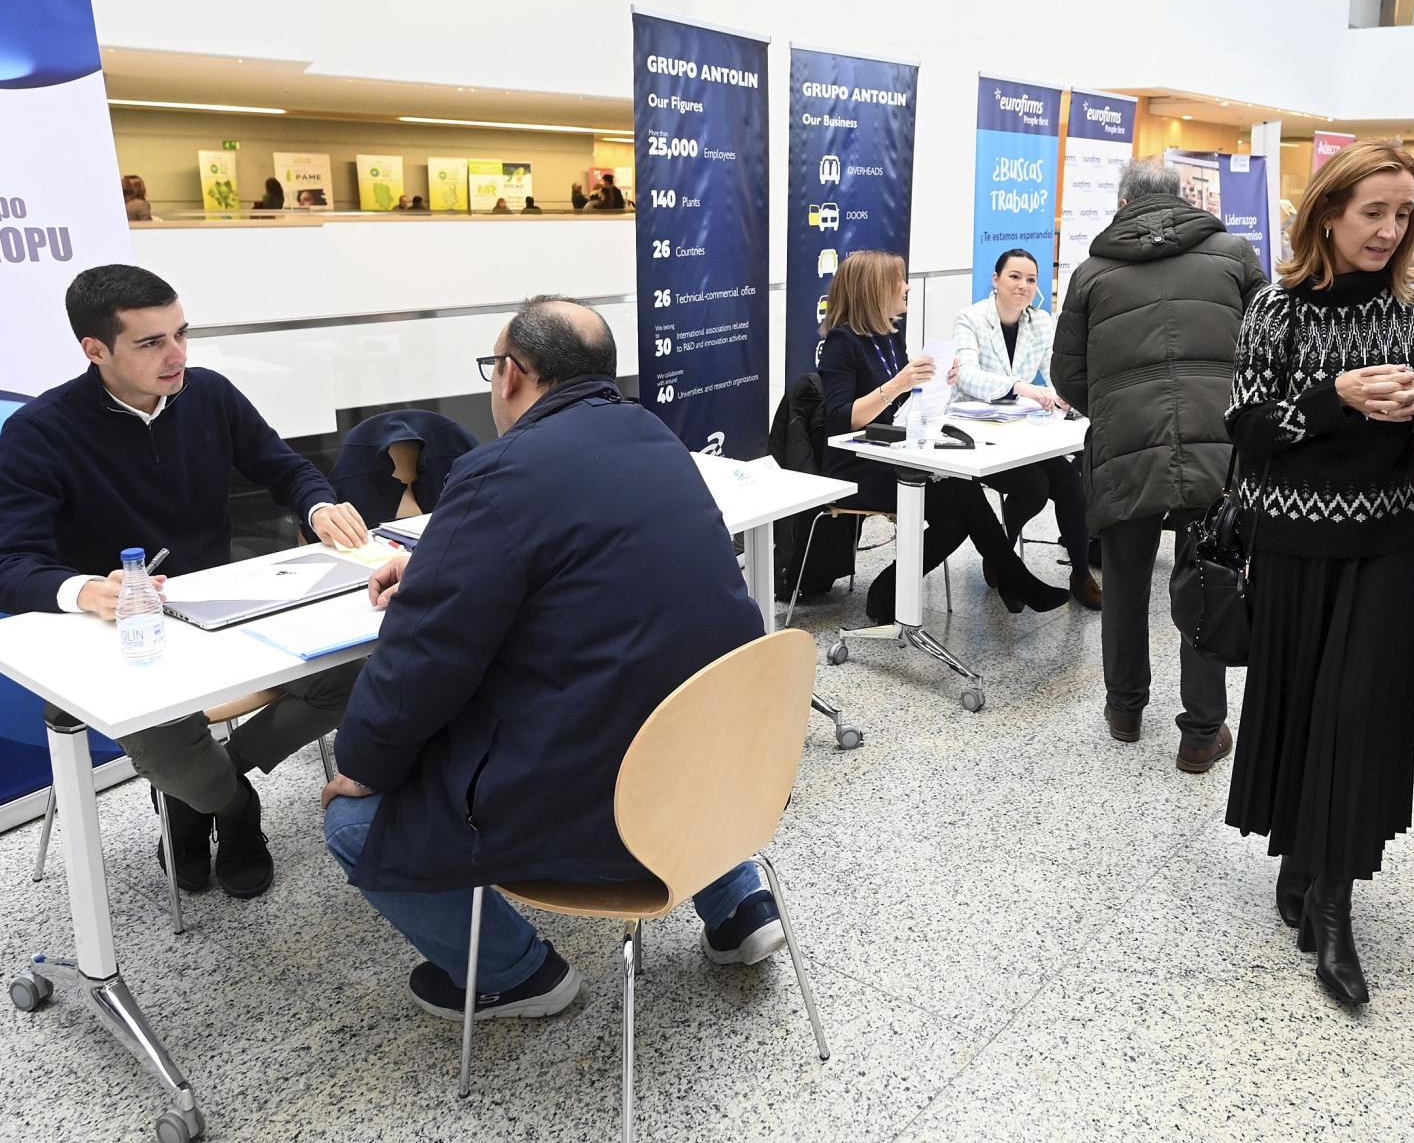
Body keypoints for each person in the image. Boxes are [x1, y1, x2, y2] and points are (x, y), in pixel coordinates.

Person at [322, 297, 791, 1020]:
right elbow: (591, 561)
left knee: (355, 825)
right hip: (718, 767)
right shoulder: (653, 437)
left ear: (511, 374)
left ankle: (518, 974)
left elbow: (420, 665)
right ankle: (737, 901)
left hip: (607, 795)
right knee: (655, 683)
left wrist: (360, 766)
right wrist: (441, 563)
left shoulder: (496, 472)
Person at [0, 264, 370, 899]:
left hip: (228, 611)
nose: (177, 356)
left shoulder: (210, 394)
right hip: (125, 635)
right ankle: (226, 803)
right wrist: (84, 590)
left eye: (181, 334)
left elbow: (284, 467)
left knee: (367, 667)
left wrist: (315, 506)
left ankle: (210, 786)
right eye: (151, 343)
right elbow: (11, 565)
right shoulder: (40, 432)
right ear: (95, 351)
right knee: (174, 758)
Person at [1222, 141, 1414, 1007]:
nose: (1390, 231)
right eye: (1374, 214)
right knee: (1296, 705)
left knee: (1355, 716)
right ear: (1328, 213)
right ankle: (1299, 854)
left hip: (1386, 543)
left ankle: (1332, 901)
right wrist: (1338, 398)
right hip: (1289, 543)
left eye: (1404, 216)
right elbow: (1245, 429)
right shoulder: (1276, 309)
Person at [1052, 158, 1263, 768]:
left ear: (1122, 201)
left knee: (1123, 580)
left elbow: (1068, 375)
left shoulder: (1091, 273)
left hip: (1123, 448)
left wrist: (1117, 410)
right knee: (1207, 579)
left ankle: (1124, 711)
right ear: (1181, 196)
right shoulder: (1233, 255)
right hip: (1216, 444)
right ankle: (1200, 735)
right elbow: (1266, 346)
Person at [818, 250, 1069, 622]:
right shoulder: (842, 343)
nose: (906, 287)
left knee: (955, 516)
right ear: (873, 289)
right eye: (898, 281)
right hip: (858, 467)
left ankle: (887, 591)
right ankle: (1015, 578)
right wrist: (900, 383)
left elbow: (900, 406)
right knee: (959, 492)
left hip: (894, 452)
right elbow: (842, 420)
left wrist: (935, 385)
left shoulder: (887, 334)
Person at [952, 248, 1099, 610]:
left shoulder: (1041, 321)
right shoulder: (971, 318)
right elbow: (967, 375)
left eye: (1031, 279)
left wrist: (1064, 396)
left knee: (1069, 482)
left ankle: (1081, 574)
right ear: (996, 279)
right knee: (1034, 487)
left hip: (1018, 432)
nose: (1023, 286)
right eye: (1015, 277)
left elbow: (1055, 372)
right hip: (976, 435)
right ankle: (1004, 562)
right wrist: (1021, 386)